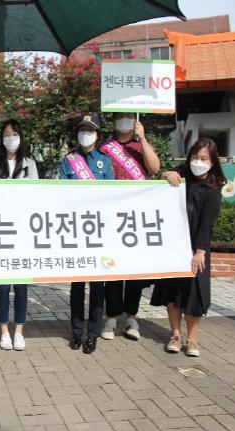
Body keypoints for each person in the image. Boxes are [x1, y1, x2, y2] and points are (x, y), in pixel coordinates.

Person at [151, 137, 226, 357]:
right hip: (174, 245)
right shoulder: (182, 177)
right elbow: (161, 184)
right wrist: (167, 174)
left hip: (196, 249)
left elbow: (207, 223)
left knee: (194, 294)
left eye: (203, 158)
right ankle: (175, 335)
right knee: (173, 292)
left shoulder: (213, 187)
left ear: (212, 161)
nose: (198, 162)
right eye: (195, 157)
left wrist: (200, 252)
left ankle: (192, 339)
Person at [99, 112, 161, 341]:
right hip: (113, 215)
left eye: (128, 116)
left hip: (137, 215)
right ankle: (112, 316)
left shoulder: (140, 146)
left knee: (134, 269)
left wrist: (142, 138)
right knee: (113, 269)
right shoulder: (106, 148)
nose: (124, 120)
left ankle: (132, 317)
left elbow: (155, 168)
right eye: (120, 116)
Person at [59, 113, 114, 354]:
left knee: (98, 285)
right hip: (76, 228)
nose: (85, 134)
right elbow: (63, 191)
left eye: (89, 130)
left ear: (97, 135)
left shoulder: (104, 161)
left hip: (99, 229)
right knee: (78, 284)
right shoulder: (69, 160)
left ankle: (93, 333)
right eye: (82, 130)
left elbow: (112, 195)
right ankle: (76, 331)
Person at [0, 119, 38, 351]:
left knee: (22, 285)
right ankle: (4, 330)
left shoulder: (29, 164)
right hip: (1, 231)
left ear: (21, 136)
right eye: (6, 134)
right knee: (3, 285)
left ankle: (19, 331)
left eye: (14, 133)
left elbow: (36, 195)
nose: (11, 138)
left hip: (23, 232)